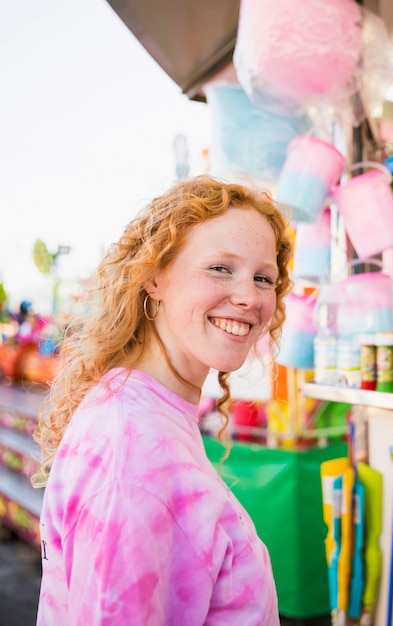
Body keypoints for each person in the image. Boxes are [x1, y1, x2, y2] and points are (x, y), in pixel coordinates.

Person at [34, 175, 293, 626]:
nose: (249, 296)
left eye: (263, 278)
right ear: (155, 276)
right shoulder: (131, 455)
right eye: (219, 268)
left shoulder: (148, 410)